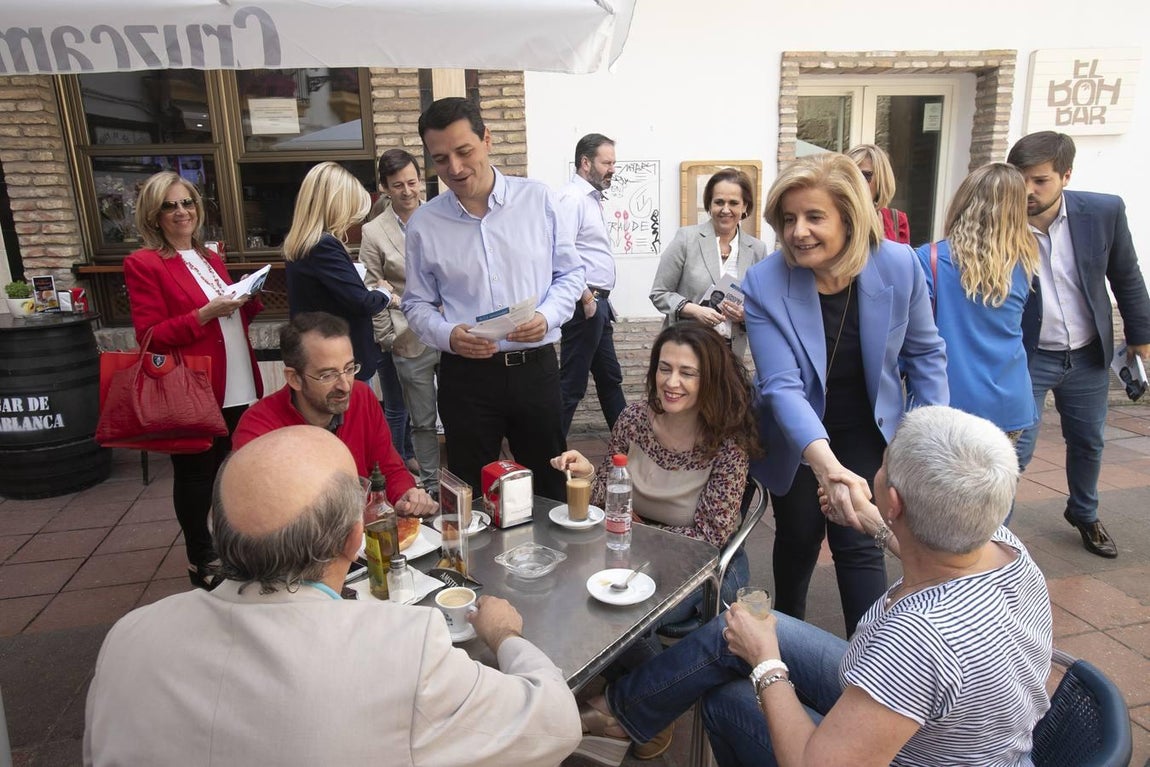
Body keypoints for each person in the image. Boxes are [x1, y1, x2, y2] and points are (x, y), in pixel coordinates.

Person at [576, 406, 1052, 767]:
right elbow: (940, 553)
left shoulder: (919, 639)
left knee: (729, 694)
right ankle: (621, 713)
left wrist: (767, 663)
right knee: (738, 625)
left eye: (882, 463)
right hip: (967, 736)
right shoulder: (1004, 548)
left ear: (896, 500)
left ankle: (621, 713)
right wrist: (876, 524)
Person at [83, 425, 582, 766]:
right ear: (353, 538)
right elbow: (555, 724)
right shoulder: (403, 649)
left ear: (217, 529)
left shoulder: (128, 637)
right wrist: (506, 636)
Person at [744, 152, 948, 636]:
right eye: (789, 219)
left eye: (815, 217)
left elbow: (925, 356)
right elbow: (781, 385)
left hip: (868, 425)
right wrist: (828, 468)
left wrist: (927, 444)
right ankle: (787, 639)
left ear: (850, 218)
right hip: (797, 435)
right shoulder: (765, 282)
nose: (798, 232)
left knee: (860, 540)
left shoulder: (898, 266)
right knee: (798, 537)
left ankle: (874, 656)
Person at [403, 97, 583, 499]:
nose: (455, 168)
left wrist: (548, 315)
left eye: (464, 151)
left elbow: (570, 273)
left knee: (549, 483)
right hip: (466, 375)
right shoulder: (424, 224)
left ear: (487, 139)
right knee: (468, 488)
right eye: (440, 158)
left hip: (534, 368)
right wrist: (449, 335)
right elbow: (415, 303)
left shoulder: (538, 200)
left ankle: (553, 562)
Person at [1009, 131, 1150, 558]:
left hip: (1088, 354)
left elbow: (1126, 276)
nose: (1027, 191)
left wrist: (1141, 339)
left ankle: (1084, 513)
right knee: (1016, 450)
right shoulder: (1000, 219)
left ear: (1066, 176)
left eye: (1039, 181)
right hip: (1028, 358)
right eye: (1020, 180)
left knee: (1089, 440)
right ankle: (993, 533)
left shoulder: (1103, 211)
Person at [552, 322, 758, 610]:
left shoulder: (727, 443)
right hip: (629, 555)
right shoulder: (633, 421)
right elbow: (609, 500)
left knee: (625, 613)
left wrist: (639, 529)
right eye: (665, 369)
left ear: (709, 379)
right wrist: (587, 474)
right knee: (565, 583)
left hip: (701, 568)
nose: (672, 382)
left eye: (687, 373)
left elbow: (708, 538)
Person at [123, 171, 263, 590]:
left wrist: (245, 299)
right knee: (197, 473)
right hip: (194, 385)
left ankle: (236, 547)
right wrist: (205, 313)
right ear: (154, 214)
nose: (182, 212)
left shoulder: (209, 257)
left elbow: (230, 317)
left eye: (187, 203)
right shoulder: (143, 263)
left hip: (237, 374)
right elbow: (149, 334)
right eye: (170, 205)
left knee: (233, 467)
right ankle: (201, 557)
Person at [233, 312, 435, 516]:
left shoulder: (362, 396)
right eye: (327, 375)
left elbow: (388, 468)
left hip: (363, 535)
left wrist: (405, 494)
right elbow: (255, 514)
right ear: (294, 378)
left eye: (349, 368)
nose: (345, 385)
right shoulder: (258, 429)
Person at [915, 163, 1039, 443]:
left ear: (962, 202)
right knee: (995, 485)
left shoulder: (929, 260)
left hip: (950, 401)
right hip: (1010, 402)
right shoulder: (1025, 264)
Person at [360, 149, 440, 494]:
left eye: (412, 182)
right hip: (407, 335)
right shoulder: (373, 231)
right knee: (420, 419)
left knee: (463, 410)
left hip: (453, 331)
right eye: (398, 185)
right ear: (384, 188)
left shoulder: (441, 215)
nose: (408, 191)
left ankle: (462, 476)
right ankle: (432, 485)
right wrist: (388, 337)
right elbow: (369, 286)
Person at [284, 161, 395, 383]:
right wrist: (384, 293)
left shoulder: (302, 244)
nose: (352, 220)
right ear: (337, 205)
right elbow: (361, 302)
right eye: (351, 210)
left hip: (319, 357)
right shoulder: (324, 246)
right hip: (340, 363)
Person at [650, 168, 768, 356]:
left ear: (745, 206)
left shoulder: (757, 249)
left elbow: (761, 307)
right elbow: (659, 294)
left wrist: (745, 316)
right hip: (688, 348)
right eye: (719, 202)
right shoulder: (686, 239)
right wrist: (694, 310)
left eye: (734, 203)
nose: (725, 209)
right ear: (709, 204)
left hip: (731, 354)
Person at [557, 133, 628, 434]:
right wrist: (585, 296)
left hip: (598, 304)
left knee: (610, 377)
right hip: (584, 304)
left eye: (613, 162)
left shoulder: (591, 199)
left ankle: (630, 444)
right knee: (572, 384)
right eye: (607, 162)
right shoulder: (572, 199)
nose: (613, 168)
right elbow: (560, 252)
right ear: (586, 163)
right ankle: (549, 452)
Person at [847, 144, 909, 244]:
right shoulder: (833, 218)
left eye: (865, 176)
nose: (856, 182)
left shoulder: (896, 220)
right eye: (850, 175)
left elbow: (901, 258)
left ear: (882, 181)